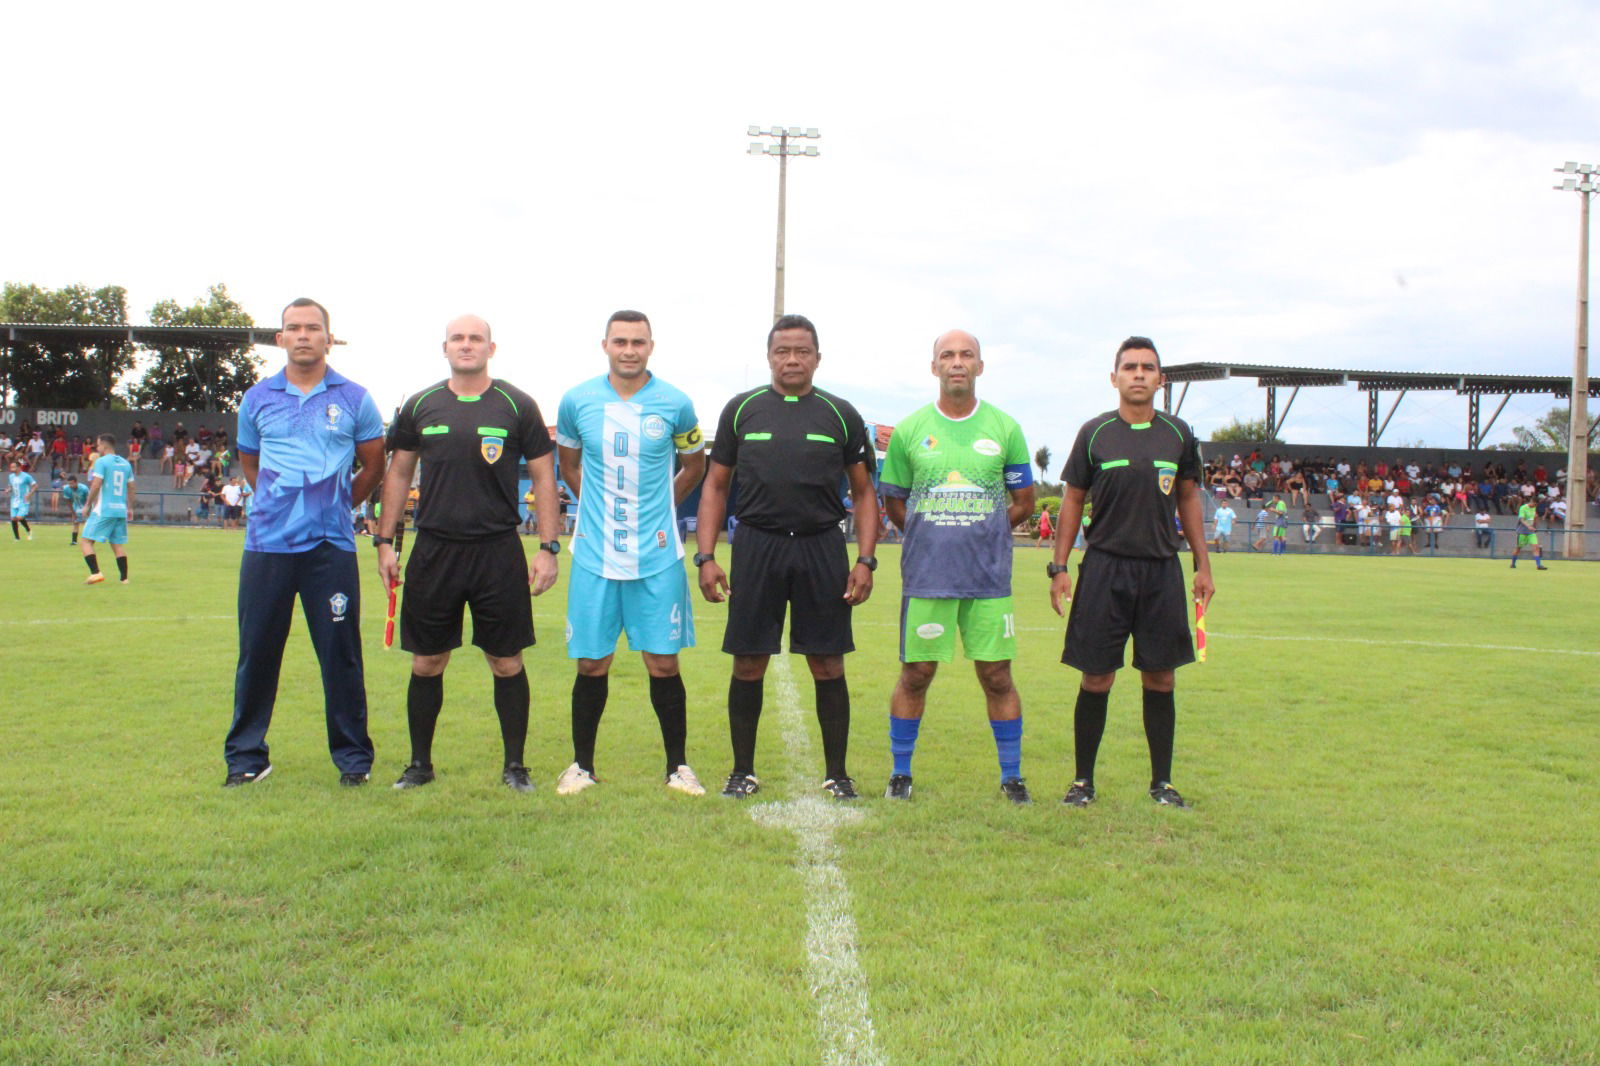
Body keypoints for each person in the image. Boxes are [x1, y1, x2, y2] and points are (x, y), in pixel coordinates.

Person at [696, 313, 878, 800]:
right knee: (749, 661)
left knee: (828, 663)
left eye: (802, 351)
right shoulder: (742, 410)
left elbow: (864, 493)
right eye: (783, 351)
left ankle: (837, 773)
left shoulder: (841, 414)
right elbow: (715, 485)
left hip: (822, 546)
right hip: (757, 545)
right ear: (769, 356)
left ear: (818, 357)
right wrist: (706, 556)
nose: (792, 359)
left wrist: (865, 560)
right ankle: (742, 771)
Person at [378, 314, 560, 793]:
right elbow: (398, 475)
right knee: (427, 662)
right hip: (434, 549)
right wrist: (384, 540)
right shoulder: (420, 404)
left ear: (491, 348)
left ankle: (515, 766)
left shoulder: (517, 405)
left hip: (497, 550)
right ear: (445, 348)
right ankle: (420, 765)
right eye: (457, 338)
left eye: (475, 338)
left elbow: (544, 478)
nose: (466, 345)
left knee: (507, 660)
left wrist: (547, 547)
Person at [223, 298, 386, 789]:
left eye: (313, 328)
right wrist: (282, 505)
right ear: (280, 339)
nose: (303, 336)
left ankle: (353, 760)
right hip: (267, 547)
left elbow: (373, 465)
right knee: (257, 652)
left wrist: (334, 505)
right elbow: (251, 465)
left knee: (340, 653)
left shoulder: (356, 398)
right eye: (293, 328)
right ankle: (247, 757)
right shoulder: (256, 399)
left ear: (327, 338)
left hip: (329, 548)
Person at [1049, 336, 1214, 809]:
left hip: (1161, 571)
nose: (1139, 374)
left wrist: (1203, 564)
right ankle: (1083, 782)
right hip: (1104, 569)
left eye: (1147, 367)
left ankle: (1161, 783)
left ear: (1161, 379)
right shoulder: (1095, 433)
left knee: (1160, 679)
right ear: (1114, 377)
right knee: (1096, 677)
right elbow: (1073, 500)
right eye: (1130, 367)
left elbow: (1188, 498)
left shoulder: (1179, 434)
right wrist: (1059, 566)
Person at [877, 329, 1035, 803]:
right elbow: (895, 504)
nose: (957, 362)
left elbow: (1024, 502)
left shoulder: (1005, 428)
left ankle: (1012, 778)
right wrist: (935, 530)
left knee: (997, 676)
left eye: (967, 355)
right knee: (916, 674)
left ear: (980, 367)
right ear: (934, 367)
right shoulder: (909, 430)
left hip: (988, 578)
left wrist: (982, 527)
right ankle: (900, 774)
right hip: (928, 575)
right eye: (947, 355)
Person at [556, 310, 709, 796]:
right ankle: (581, 766)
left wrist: (659, 504)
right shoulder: (576, 401)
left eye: (637, 341)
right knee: (591, 663)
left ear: (651, 346)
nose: (629, 349)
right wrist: (600, 509)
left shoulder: (676, 404)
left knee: (663, 663)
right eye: (620, 341)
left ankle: (677, 768)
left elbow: (694, 464)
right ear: (605, 345)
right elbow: (569, 464)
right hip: (594, 555)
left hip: (657, 558)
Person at [79, 436, 135, 583]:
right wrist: (130, 508)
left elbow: (96, 485)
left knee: (85, 541)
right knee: (117, 544)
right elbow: (131, 487)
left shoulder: (101, 462)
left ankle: (96, 572)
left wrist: (87, 505)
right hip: (120, 510)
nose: (97, 448)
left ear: (103, 446)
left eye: (97, 445)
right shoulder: (125, 464)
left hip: (104, 510)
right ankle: (124, 579)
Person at [1509, 496, 1547, 570]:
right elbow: (1522, 519)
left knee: (1536, 547)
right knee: (1518, 548)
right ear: (1531, 501)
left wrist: (1535, 526)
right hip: (1522, 532)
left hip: (1531, 532)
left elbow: (1534, 518)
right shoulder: (1523, 508)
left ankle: (1539, 565)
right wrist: (1528, 526)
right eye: (1534, 504)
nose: (1535, 506)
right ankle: (1513, 563)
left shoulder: (1534, 508)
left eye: (1536, 505)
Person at [9, 461, 37, 540]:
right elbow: (11, 486)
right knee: (13, 518)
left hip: (23, 500)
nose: (12, 469)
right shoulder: (11, 476)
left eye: (13, 467)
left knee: (20, 517)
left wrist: (29, 494)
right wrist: (8, 489)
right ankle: (17, 538)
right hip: (14, 500)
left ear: (18, 467)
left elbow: (35, 486)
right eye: (11, 467)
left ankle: (29, 531)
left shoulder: (26, 476)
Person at [62, 474, 89, 544]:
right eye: (69, 484)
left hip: (85, 506)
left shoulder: (84, 488)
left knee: (87, 524)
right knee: (75, 523)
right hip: (76, 506)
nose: (71, 485)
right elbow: (68, 501)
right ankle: (74, 541)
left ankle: (87, 540)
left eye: (72, 483)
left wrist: (87, 509)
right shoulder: (66, 489)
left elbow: (89, 499)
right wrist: (73, 513)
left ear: (76, 482)